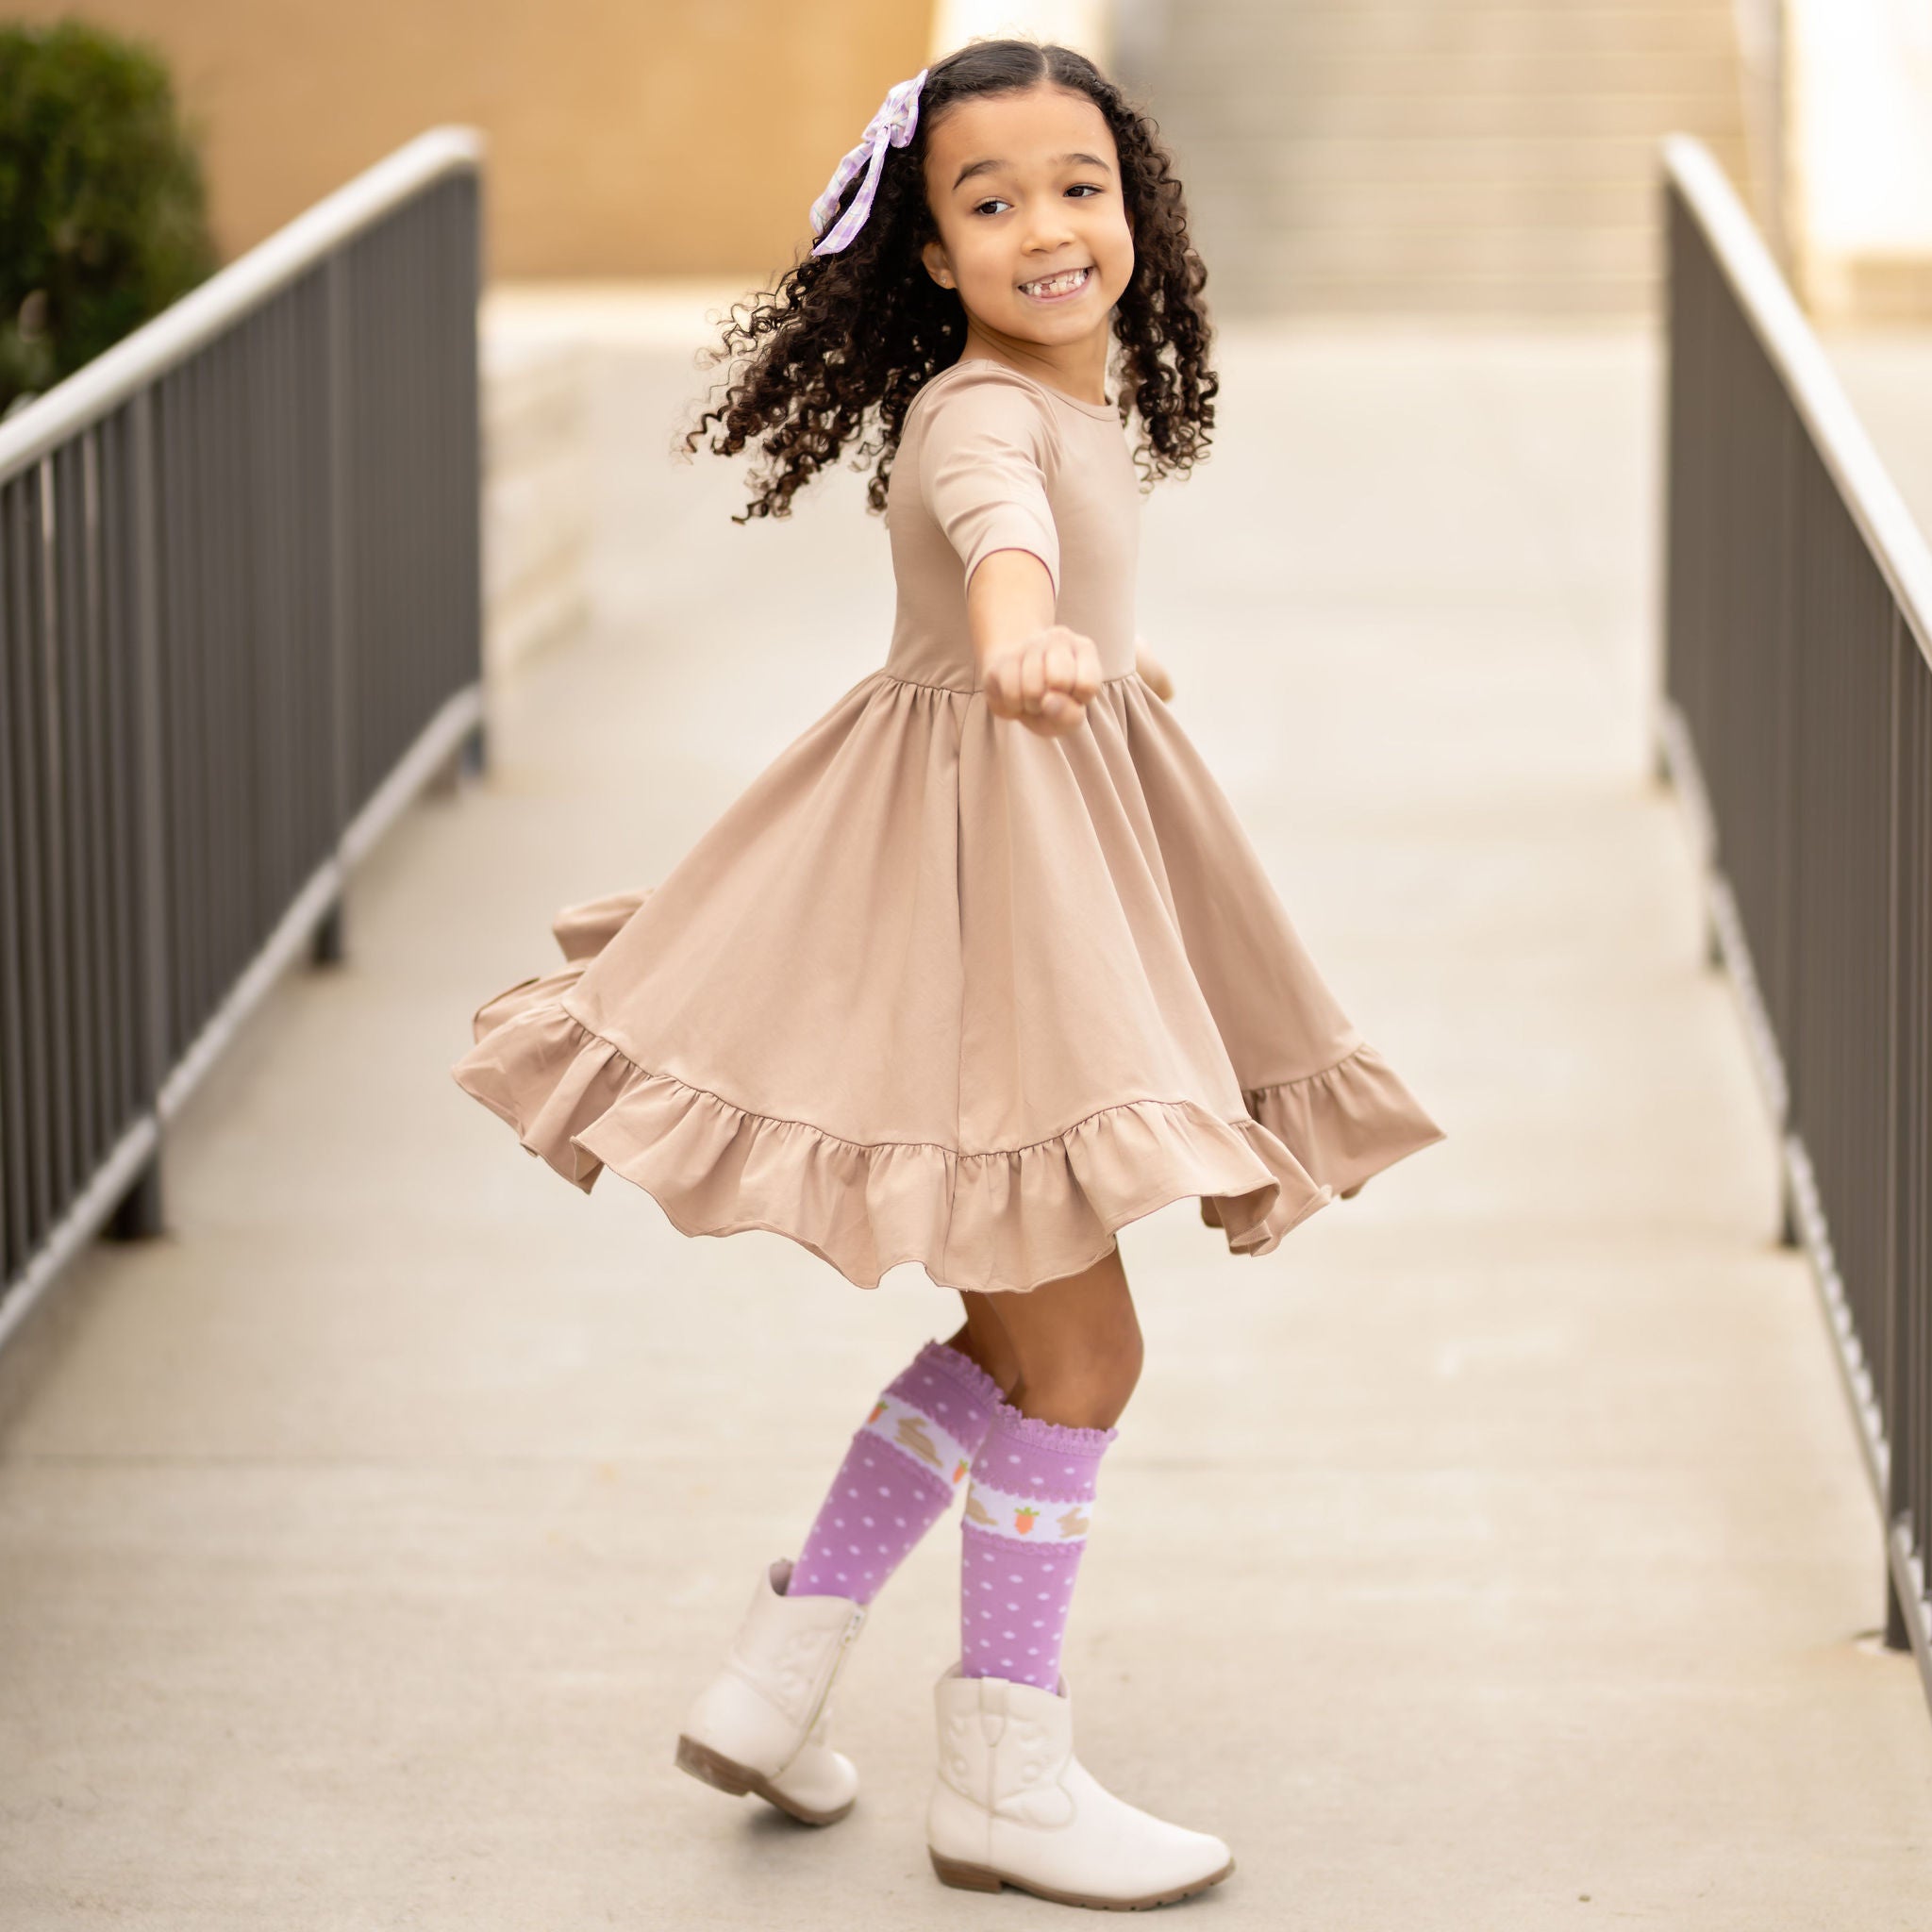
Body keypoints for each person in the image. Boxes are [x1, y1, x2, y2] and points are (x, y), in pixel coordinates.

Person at [449, 36, 1446, 1911]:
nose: (1045, 228)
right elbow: (994, 548)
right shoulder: (980, 416)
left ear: (1133, 207)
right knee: (1084, 1347)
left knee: (1006, 1338)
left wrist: (1101, 655)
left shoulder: (1075, 409)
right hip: (997, 919)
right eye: (988, 204)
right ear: (928, 254)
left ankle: (779, 1666)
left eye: (1078, 187)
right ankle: (1006, 1764)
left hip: (1016, 859)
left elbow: (1045, 568)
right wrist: (1024, 633)